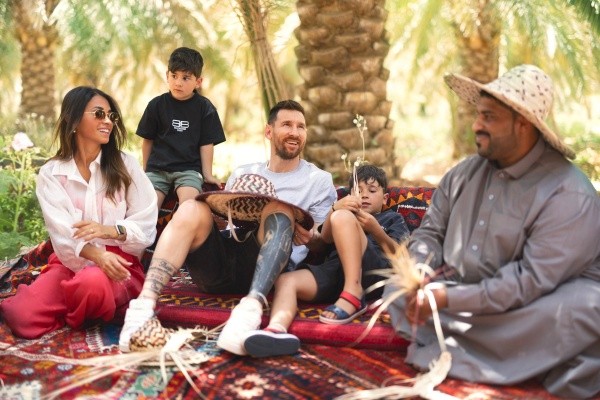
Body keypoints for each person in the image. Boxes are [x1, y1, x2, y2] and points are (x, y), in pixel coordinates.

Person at [383, 65, 600, 399]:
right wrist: (420, 272)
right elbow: (429, 234)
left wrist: (446, 299)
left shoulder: (568, 193)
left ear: (523, 124)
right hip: (458, 295)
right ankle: (498, 352)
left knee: (585, 307)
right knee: (395, 290)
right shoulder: (462, 174)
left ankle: (461, 342)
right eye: (478, 115)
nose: (475, 125)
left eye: (488, 117)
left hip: (528, 307)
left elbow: (529, 281)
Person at [118, 99, 337, 355]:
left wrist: (308, 237)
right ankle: (142, 308)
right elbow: (223, 220)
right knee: (191, 207)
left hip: (269, 269)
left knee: (280, 210)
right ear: (269, 131)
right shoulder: (244, 172)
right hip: (220, 264)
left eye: (301, 126)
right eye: (286, 124)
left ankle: (248, 314)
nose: (295, 132)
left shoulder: (319, 181)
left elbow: (323, 243)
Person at [0, 86, 158, 339]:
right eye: (98, 113)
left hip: (119, 264)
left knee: (92, 283)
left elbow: (147, 221)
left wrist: (111, 231)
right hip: (70, 262)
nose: (108, 121)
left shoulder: (125, 164)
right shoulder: (52, 173)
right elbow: (62, 234)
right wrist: (95, 255)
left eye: (111, 115)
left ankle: (79, 308)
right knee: (21, 317)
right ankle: (87, 309)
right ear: (73, 120)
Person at [242, 164, 410, 357]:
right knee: (286, 281)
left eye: (372, 191)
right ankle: (276, 330)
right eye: (358, 190)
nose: (364, 195)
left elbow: (402, 257)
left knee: (343, 217)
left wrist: (375, 230)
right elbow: (325, 239)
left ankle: (353, 294)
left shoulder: (391, 218)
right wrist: (334, 210)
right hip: (335, 271)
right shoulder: (342, 213)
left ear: (385, 198)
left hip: (372, 272)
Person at [137, 46, 226, 208]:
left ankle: (180, 230)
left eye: (186, 78)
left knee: (189, 206)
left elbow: (206, 144)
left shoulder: (205, 108)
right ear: (167, 76)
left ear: (198, 82)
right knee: (147, 208)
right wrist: (145, 170)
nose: (178, 83)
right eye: (174, 76)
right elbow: (147, 139)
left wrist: (207, 174)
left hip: (188, 171)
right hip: (157, 169)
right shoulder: (156, 105)